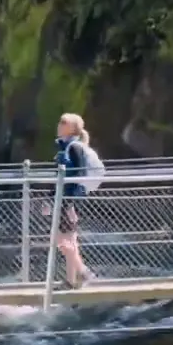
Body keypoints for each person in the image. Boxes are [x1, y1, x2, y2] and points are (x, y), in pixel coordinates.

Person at [52, 113, 99, 290]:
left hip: (68, 201)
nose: (59, 125)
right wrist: (50, 199)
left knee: (62, 241)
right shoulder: (66, 147)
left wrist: (71, 203)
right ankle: (71, 281)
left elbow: (79, 175)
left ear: (73, 129)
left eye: (63, 122)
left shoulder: (74, 147)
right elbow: (60, 177)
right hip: (65, 199)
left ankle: (84, 273)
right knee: (70, 240)